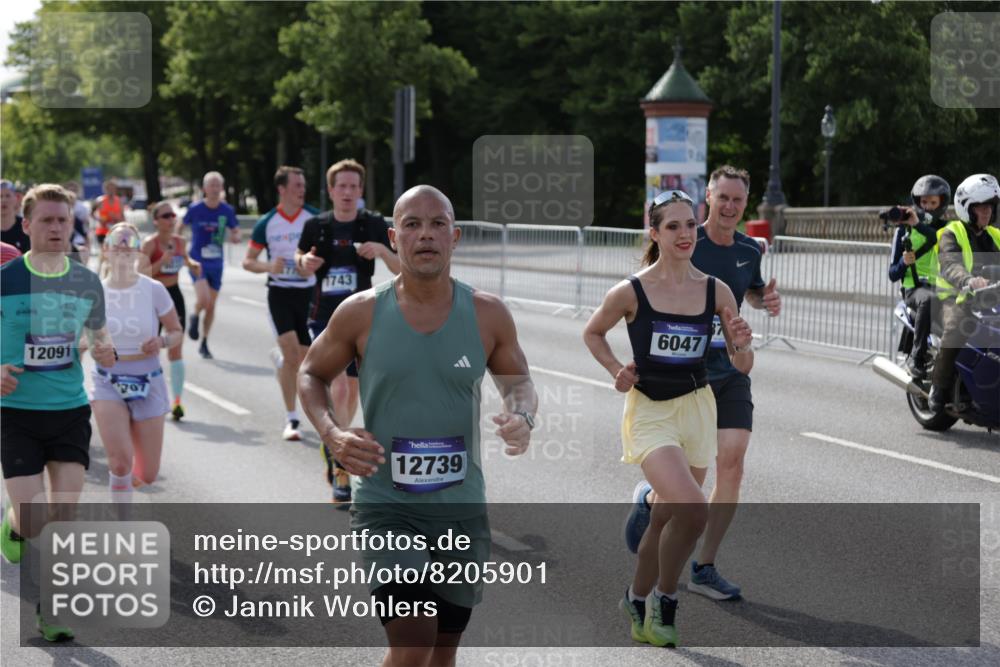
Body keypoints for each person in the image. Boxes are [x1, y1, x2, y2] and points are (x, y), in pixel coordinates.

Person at [298, 185, 536, 667]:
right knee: (412, 646)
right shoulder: (360, 311)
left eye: (437, 224)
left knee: (442, 651)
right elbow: (310, 373)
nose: (425, 234)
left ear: (456, 236)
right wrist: (332, 433)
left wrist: (522, 417)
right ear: (394, 236)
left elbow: (520, 383)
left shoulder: (488, 313)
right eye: (411, 224)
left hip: (461, 507)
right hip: (387, 505)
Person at [584, 189, 753, 647]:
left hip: (697, 408)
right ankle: (666, 598)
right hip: (651, 413)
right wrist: (617, 369)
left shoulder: (715, 291)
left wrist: (740, 341)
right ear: (654, 233)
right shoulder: (630, 291)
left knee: (663, 521)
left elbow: (742, 367)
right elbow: (593, 332)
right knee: (694, 510)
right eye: (672, 226)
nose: (684, 234)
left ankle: (635, 599)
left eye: (689, 225)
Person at [623, 166, 781, 603]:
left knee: (733, 462)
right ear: (707, 198)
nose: (730, 207)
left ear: (745, 204)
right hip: (685, 377)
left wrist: (762, 299)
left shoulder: (750, 248)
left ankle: (704, 566)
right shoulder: (689, 240)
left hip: (729, 371)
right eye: (722, 198)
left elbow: (744, 291)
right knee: (690, 484)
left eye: (737, 200)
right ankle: (654, 501)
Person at [1, 184, 116, 641]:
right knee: (32, 519)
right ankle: (12, 520)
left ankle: (52, 611)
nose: (55, 228)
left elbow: (99, 335)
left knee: (64, 517)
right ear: (26, 226)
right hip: (16, 413)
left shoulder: (86, 281)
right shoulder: (5, 279)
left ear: (73, 224)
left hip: (69, 410)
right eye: (46, 220)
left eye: (63, 220)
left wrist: (106, 352)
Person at [296, 159, 400, 500]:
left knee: (351, 393)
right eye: (341, 186)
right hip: (324, 317)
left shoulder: (371, 223)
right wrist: (304, 263)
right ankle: (341, 461)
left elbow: (405, 268)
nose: (348, 192)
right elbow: (300, 264)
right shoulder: (317, 225)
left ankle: (338, 444)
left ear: (361, 191)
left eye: (354, 187)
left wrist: (383, 250)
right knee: (338, 387)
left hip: (363, 320)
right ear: (330, 190)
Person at [90, 223, 183, 499]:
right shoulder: (94, 293)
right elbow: (82, 339)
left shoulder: (153, 289)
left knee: (147, 474)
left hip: (148, 378)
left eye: (129, 246)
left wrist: (162, 341)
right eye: (116, 245)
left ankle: (124, 492)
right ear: (105, 252)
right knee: (119, 462)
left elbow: (176, 331)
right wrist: (94, 349)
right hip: (108, 379)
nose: (122, 250)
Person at [243, 166, 320, 441]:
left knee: (303, 359)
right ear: (282, 189)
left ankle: (280, 360)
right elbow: (247, 261)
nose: (302, 190)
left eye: (303, 185)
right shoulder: (267, 222)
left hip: (308, 296)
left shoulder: (314, 218)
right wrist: (268, 265)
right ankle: (292, 419)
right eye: (297, 185)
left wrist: (312, 266)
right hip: (279, 293)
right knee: (292, 357)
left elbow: (327, 256)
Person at [928, 173, 1000, 412]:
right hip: (955, 298)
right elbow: (950, 264)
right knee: (958, 326)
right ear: (967, 208)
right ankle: (938, 387)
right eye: (981, 207)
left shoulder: (995, 236)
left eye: (990, 206)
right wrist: (968, 280)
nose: (987, 211)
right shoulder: (951, 232)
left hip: (992, 299)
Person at [887, 175, 952, 380]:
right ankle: (917, 357)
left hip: (944, 288)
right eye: (924, 202)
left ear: (942, 203)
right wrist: (904, 262)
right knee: (927, 297)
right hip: (914, 288)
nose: (928, 207)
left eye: (933, 202)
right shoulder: (903, 230)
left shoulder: (948, 230)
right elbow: (892, 273)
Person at [142, 202, 201, 420]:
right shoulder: (150, 244)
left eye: (173, 215)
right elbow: (140, 272)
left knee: (176, 347)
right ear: (156, 220)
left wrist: (193, 264)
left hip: (174, 295)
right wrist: (160, 263)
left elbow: (185, 259)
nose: (171, 219)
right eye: (166, 215)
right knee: (150, 347)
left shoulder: (179, 241)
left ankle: (177, 402)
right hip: (152, 297)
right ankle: (149, 395)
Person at [182, 171, 241, 359]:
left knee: (211, 306)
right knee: (205, 299)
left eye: (218, 185)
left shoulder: (227, 210)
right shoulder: (195, 208)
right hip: (197, 261)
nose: (215, 189)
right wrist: (178, 245)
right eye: (211, 185)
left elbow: (236, 230)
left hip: (217, 263)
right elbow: (180, 227)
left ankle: (204, 342)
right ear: (204, 188)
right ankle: (194, 314)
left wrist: (235, 237)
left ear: (221, 188)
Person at [1, 179, 30, 253]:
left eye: (8, 196)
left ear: (16, 199)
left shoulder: (26, 227)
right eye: (0, 196)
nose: (3, 200)